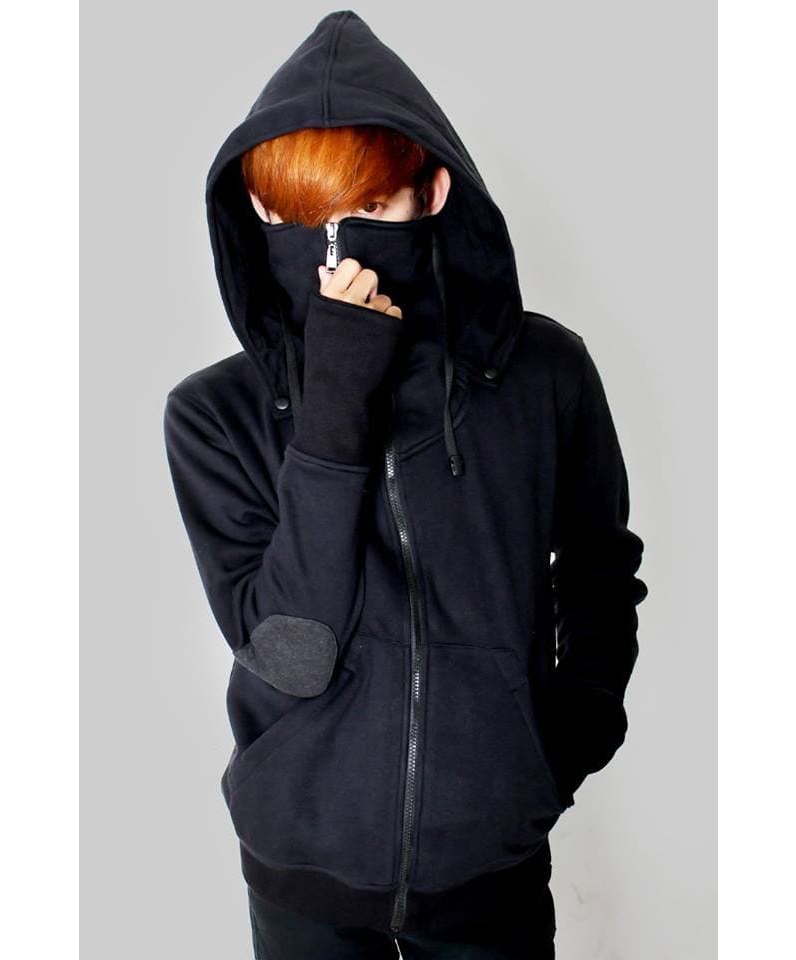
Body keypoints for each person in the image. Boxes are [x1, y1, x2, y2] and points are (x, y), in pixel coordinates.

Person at [163, 9, 649, 958]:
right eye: (299, 219)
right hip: (300, 868)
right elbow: (291, 656)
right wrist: (334, 411)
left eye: (373, 209)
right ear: (258, 211)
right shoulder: (213, 414)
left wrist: (563, 741)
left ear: (434, 190)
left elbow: (600, 569)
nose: (337, 253)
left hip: (490, 870)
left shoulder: (544, 374)